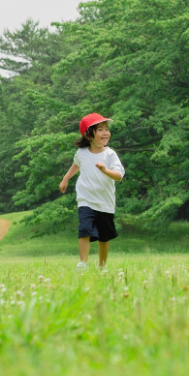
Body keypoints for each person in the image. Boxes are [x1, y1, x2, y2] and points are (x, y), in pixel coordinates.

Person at [59, 113, 124, 271]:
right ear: (89, 135)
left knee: (104, 235)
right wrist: (66, 178)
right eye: (100, 129)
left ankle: (102, 266)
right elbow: (76, 164)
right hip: (86, 199)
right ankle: (83, 263)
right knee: (84, 230)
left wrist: (105, 170)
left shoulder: (110, 154)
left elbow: (119, 176)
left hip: (105, 202)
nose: (105, 133)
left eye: (106, 129)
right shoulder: (82, 153)